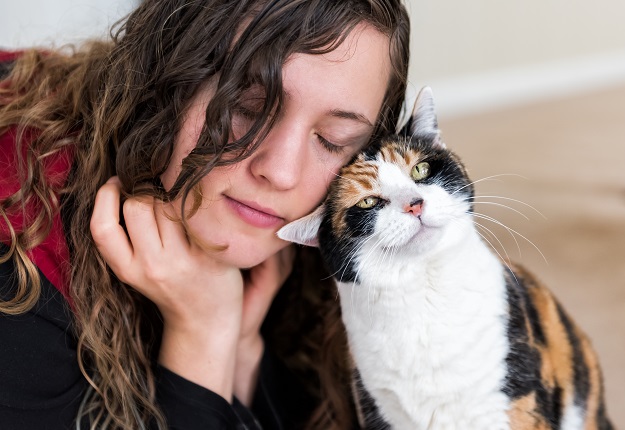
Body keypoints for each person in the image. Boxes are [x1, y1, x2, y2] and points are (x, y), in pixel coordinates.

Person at [0, 0, 410, 428]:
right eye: (248, 107)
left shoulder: (313, 235)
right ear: (164, 80)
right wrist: (204, 334)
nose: (282, 172)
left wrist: (242, 350)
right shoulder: (18, 279)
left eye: (331, 139)